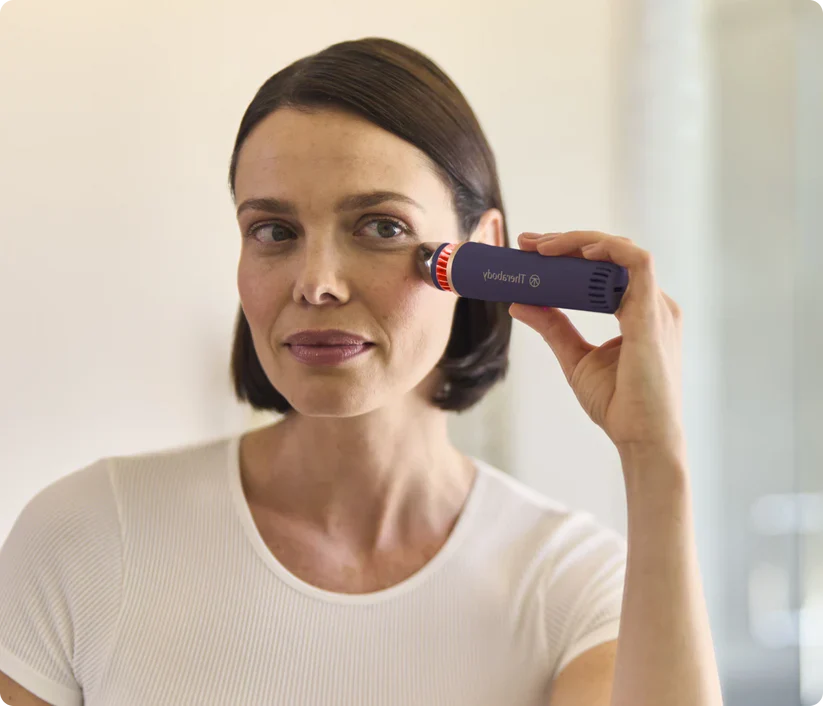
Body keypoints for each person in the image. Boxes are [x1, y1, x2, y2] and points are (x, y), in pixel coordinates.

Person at [0, 37, 723, 706]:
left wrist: (654, 458)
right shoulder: (87, 538)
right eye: (273, 231)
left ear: (484, 251)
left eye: (381, 227)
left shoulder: (571, 586)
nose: (316, 284)